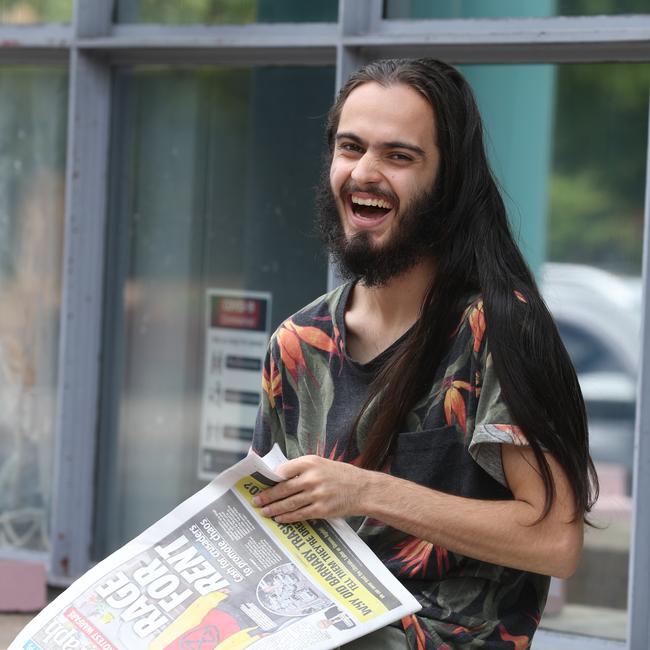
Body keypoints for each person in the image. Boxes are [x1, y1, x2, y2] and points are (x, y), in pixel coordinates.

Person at [251, 58, 598, 649]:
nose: (365, 173)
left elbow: (555, 542)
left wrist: (365, 491)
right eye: (350, 147)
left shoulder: (499, 328)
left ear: (448, 181)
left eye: (399, 156)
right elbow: (263, 528)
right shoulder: (296, 344)